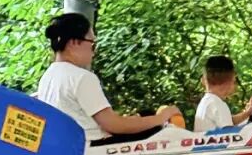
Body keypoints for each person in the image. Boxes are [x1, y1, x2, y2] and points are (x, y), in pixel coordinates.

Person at [35, 12, 180, 143]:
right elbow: (114, 125)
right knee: (156, 126)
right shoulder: (81, 77)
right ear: (74, 42)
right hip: (93, 147)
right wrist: (160, 118)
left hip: (70, 145)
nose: (93, 52)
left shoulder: (49, 76)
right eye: (92, 44)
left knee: (145, 115)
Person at [194, 55, 252, 133]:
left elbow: (228, 121)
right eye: (234, 81)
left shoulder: (207, 101)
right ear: (229, 82)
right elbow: (230, 134)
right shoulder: (217, 104)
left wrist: (247, 113)